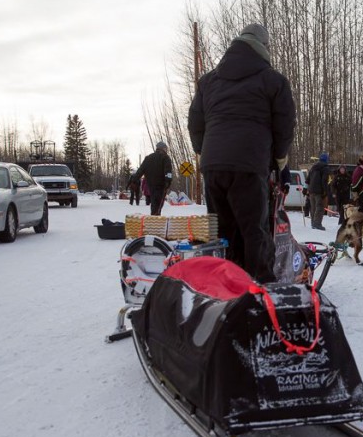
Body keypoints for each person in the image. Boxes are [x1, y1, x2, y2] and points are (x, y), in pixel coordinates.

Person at [187, 23, 296, 283]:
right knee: (254, 230)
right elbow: (284, 125)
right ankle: (261, 292)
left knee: (221, 232)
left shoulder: (208, 81)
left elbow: (194, 124)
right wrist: (280, 159)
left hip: (213, 166)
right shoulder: (274, 81)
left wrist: (205, 152)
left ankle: (223, 287)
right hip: (249, 165)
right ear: (264, 48)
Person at [133, 142, 173, 215]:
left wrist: (135, 179)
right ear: (163, 148)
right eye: (166, 148)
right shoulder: (165, 158)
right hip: (161, 185)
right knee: (159, 204)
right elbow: (168, 171)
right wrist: (168, 181)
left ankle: (154, 218)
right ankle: (155, 219)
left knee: (154, 202)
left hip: (150, 185)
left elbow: (141, 170)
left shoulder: (148, 158)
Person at [307, 152, 330, 230]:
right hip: (319, 191)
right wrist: (325, 191)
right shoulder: (325, 168)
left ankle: (313, 223)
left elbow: (308, 179)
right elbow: (324, 181)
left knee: (313, 207)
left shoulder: (313, 167)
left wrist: (306, 189)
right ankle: (317, 224)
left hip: (311, 191)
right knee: (320, 207)